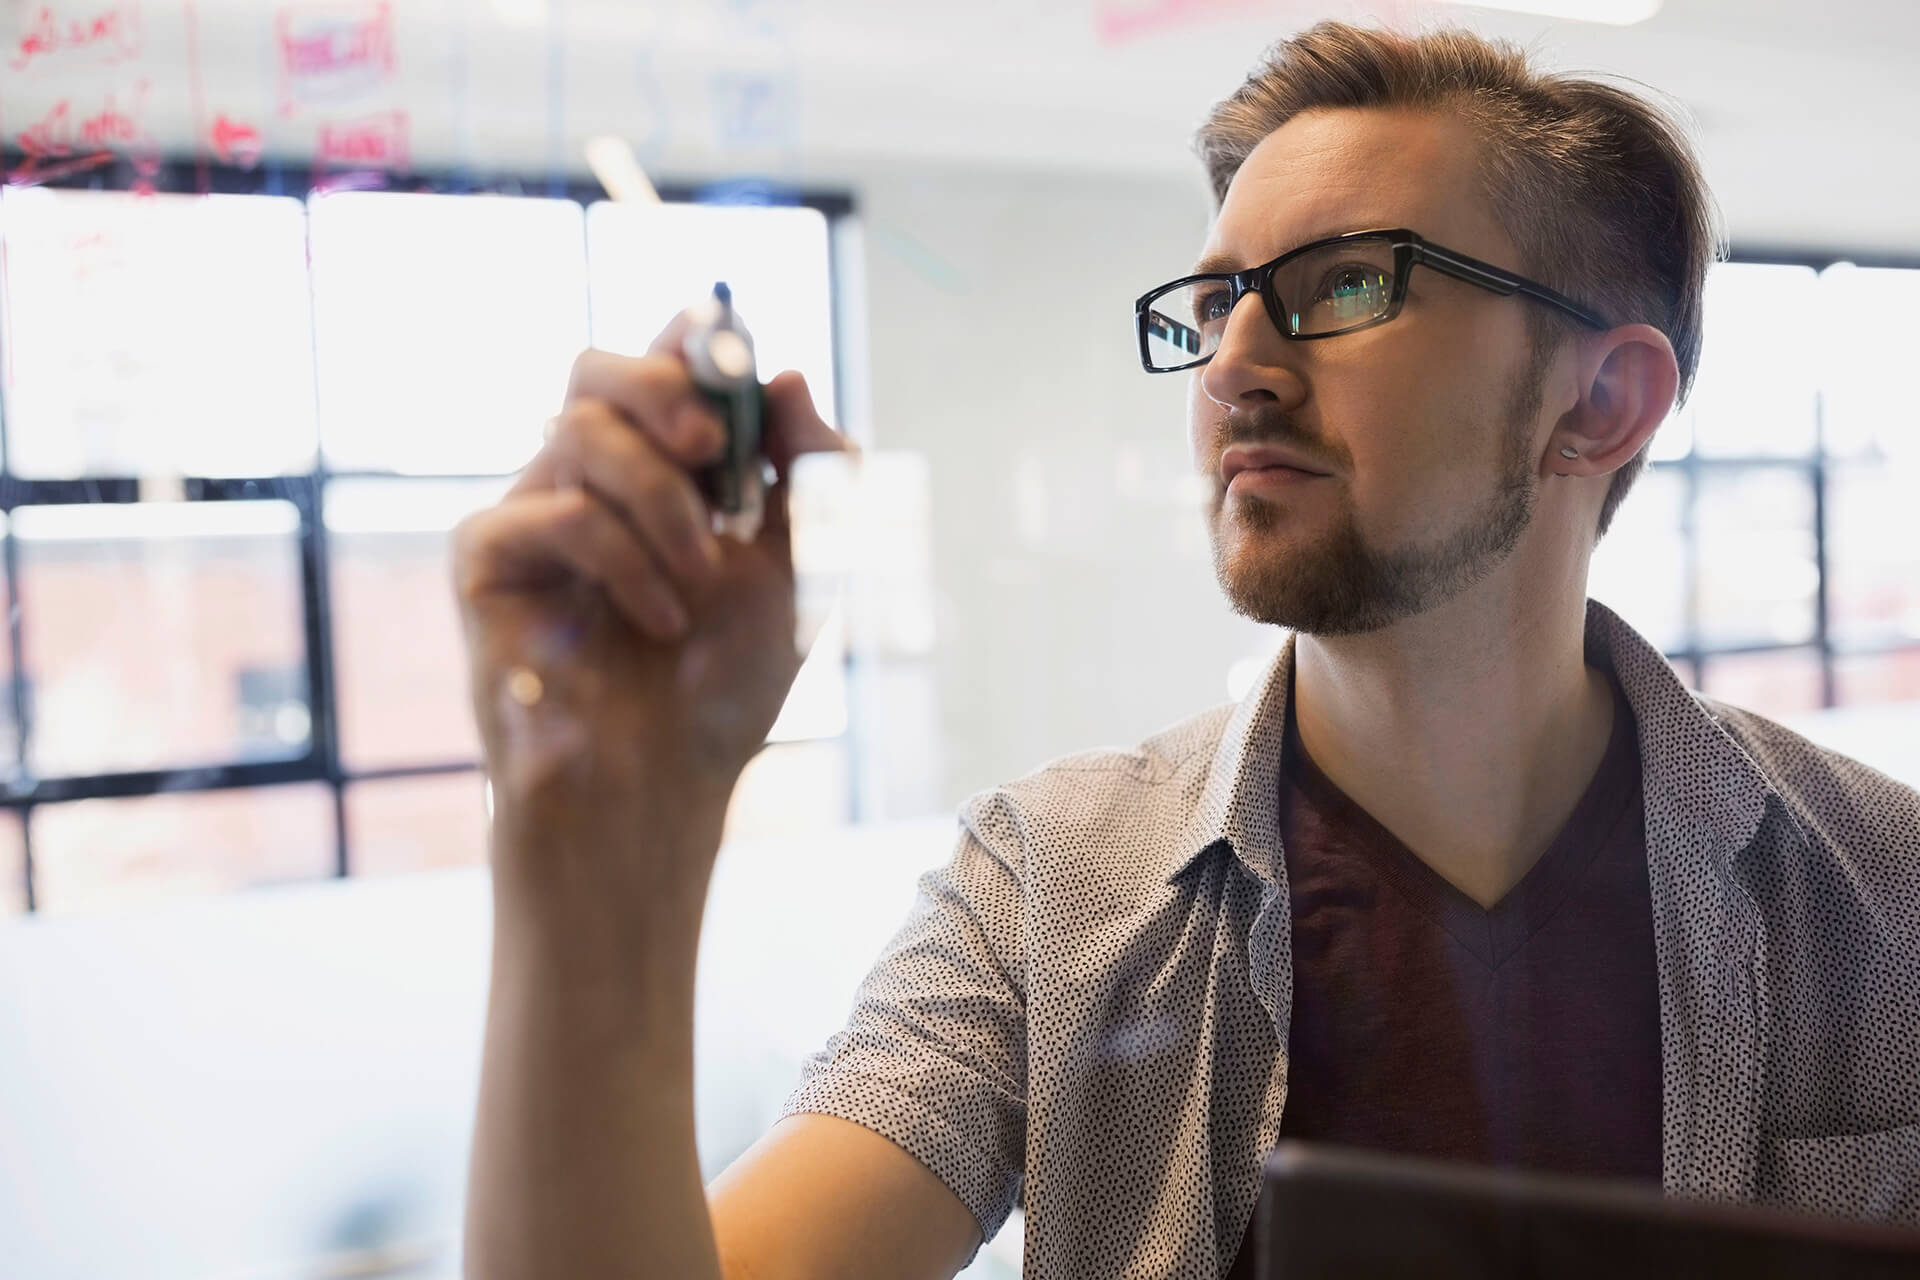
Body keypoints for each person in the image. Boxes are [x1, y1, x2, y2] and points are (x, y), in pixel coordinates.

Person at [457, 21, 1920, 1280]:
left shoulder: (1886, 894)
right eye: (1218, 301)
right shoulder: (1050, 890)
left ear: (1601, 402)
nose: (1233, 366)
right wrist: (584, 842)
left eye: (1345, 284)